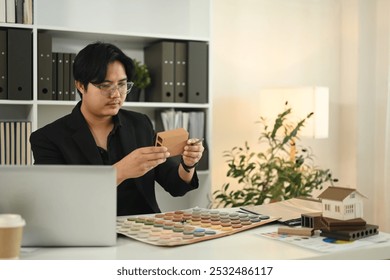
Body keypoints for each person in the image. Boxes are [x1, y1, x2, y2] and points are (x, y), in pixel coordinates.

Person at [30, 42, 204, 216]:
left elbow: (175, 186)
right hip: (84, 232)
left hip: (144, 231)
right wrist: (119, 172)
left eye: (122, 85)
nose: (116, 95)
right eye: (105, 86)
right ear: (80, 85)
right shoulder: (48, 138)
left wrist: (188, 164)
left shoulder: (140, 124)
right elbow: (55, 199)